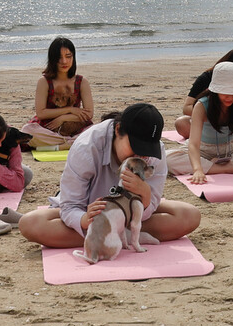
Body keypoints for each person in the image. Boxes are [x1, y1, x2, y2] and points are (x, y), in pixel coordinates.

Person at [19, 103, 200, 247]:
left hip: (128, 212)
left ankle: (114, 235)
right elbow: (70, 206)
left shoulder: (154, 154)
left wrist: (144, 195)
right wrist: (83, 219)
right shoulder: (87, 147)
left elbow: (150, 205)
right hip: (91, 211)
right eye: (135, 148)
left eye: (144, 151)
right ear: (118, 129)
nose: (139, 156)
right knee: (30, 224)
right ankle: (121, 235)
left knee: (189, 215)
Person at [21, 37, 94, 150]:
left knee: (94, 131)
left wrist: (63, 118)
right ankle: (71, 144)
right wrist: (70, 109)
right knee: (27, 131)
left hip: (76, 128)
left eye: (68, 56)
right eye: (59, 57)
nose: (64, 61)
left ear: (73, 57)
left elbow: (88, 114)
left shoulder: (81, 82)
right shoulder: (44, 82)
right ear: (52, 59)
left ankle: (59, 146)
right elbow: (41, 113)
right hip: (49, 129)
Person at [174, 49, 233, 139]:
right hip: (205, 121)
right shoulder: (206, 78)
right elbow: (187, 108)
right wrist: (210, 112)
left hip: (227, 120)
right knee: (181, 123)